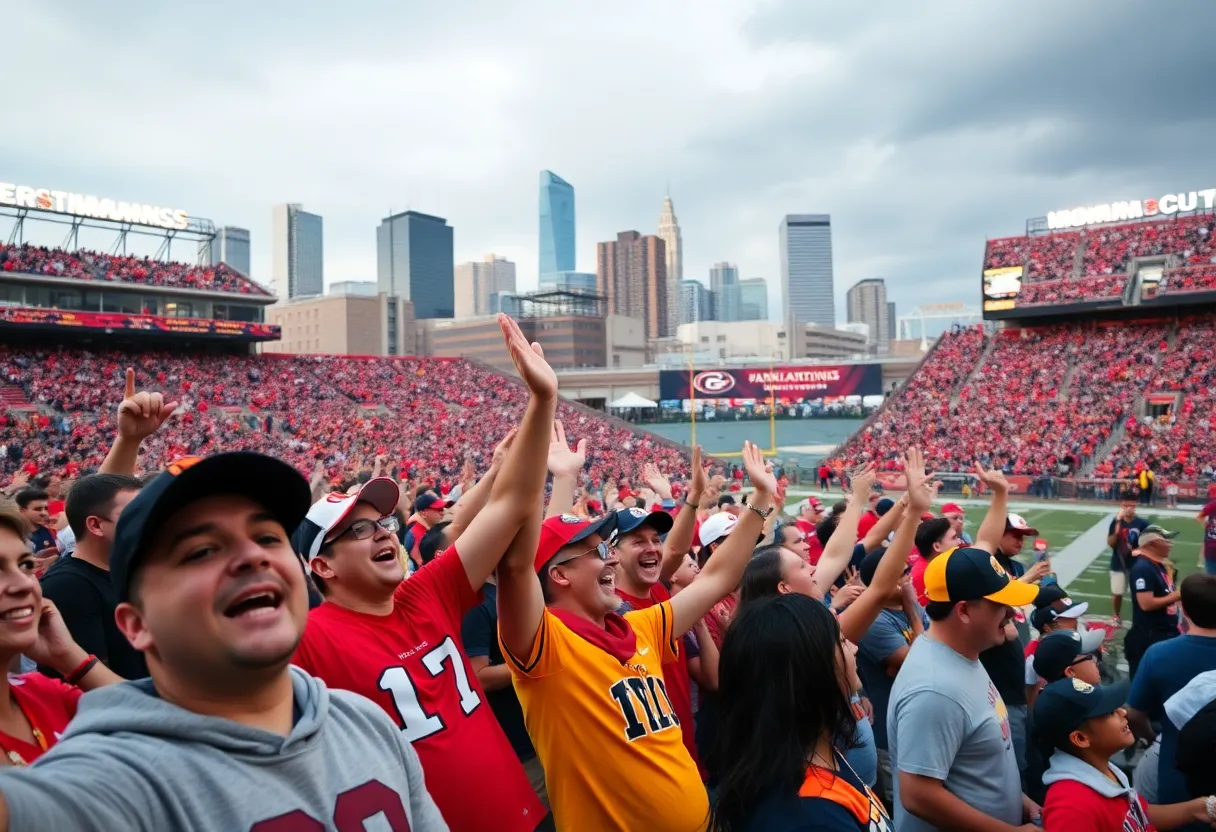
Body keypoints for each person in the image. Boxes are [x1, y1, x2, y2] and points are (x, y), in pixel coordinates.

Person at [0, 452, 447, 829]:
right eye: (201, 551)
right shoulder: (111, 781)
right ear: (137, 625)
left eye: (267, 536)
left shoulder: (363, 720)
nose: (252, 556)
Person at [293, 317, 550, 832]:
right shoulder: (309, 640)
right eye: (359, 532)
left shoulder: (425, 591)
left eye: (384, 523)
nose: (385, 534)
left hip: (528, 816)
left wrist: (541, 404)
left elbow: (513, 505)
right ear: (321, 566)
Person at [496, 432, 778, 832]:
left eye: (607, 548)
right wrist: (558, 473)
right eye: (596, 553)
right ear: (558, 576)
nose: (609, 560)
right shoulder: (548, 647)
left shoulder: (638, 625)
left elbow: (717, 578)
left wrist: (761, 501)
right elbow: (520, 565)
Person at [888, 543, 1041, 832]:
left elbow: (970, 760)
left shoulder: (960, 652)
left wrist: (1016, 798)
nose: (1010, 612)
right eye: (999, 604)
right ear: (964, 611)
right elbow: (918, 795)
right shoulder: (934, 689)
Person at [709, 593, 891, 831]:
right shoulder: (808, 819)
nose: (854, 648)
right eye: (842, 641)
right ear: (810, 669)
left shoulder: (817, 755)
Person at [0, 502, 122, 766]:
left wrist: (68, 656)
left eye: (25, 564)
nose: (24, 584)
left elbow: (169, 727)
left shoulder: (41, 693)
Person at [613, 449, 708, 776]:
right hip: (653, 757)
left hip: (687, 737)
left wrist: (691, 496)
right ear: (611, 552)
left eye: (655, 539)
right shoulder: (609, 609)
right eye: (637, 541)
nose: (653, 547)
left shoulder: (656, 589)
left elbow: (676, 549)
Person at [1036, 678, 1215, 831]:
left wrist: (1198, 808)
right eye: (1111, 712)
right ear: (1081, 738)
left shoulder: (1101, 768)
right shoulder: (1070, 809)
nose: (1123, 712)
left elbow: (1133, 816)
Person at [1128, 574, 1216, 830]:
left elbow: (1134, 715)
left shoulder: (1159, 654)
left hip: (1177, 773)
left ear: (1182, 608)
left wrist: (1152, 735)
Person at [38, 474, 147, 679]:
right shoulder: (67, 587)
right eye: (134, 515)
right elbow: (89, 687)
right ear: (96, 525)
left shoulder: (131, 571)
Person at [980, 508, 1051, 776]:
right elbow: (992, 603)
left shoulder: (1017, 566)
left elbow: (1032, 602)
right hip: (996, 677)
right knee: (1011, 764)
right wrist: (1028, 578)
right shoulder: (988, 566)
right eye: (1014, 535)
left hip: (1015, 664)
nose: (1020, 542)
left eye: (1024, 536)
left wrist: (1045, 583)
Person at [1125, 525, 1182, 680]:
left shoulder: (1159, 565)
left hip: (1163, 633)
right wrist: (1177, 595)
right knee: (1145, 682)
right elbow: (1146, 604)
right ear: (1151, 544)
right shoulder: (1143, 568)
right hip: (1149, 637)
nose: (1170, 544)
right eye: (1166, 540)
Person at [1109, 498, 1149, 625]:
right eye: (1125, 506)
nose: (1128, 508)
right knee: (1117, 593)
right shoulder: (1115, 522)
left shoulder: (1142, 523)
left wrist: (1141, 551)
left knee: (1138, 593)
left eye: (1131, 506)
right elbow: (1111, 543)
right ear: (1121, 507)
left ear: (1135, 507)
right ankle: (1116, 615)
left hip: (1136, 564)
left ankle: (1139, 617)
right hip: (1118, 562)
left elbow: (1149, 542)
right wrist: (1118, 525)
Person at [909, 518, 962, 607]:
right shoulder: (934, 574)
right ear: (937, 546)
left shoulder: (925, 566)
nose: (960, 541)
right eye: (954, 538)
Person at [13, 489, 54, 557]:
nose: (44, 513)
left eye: (46, 508)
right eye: (38, 509)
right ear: (22, 510)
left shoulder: (50, 531)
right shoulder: (13, 535)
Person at [1197, 497, 1216, 576]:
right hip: (1212, 547)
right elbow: (1199, 517)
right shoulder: (1213, 504)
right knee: (1211, 580)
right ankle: (1200, 561)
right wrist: (1206, 526)